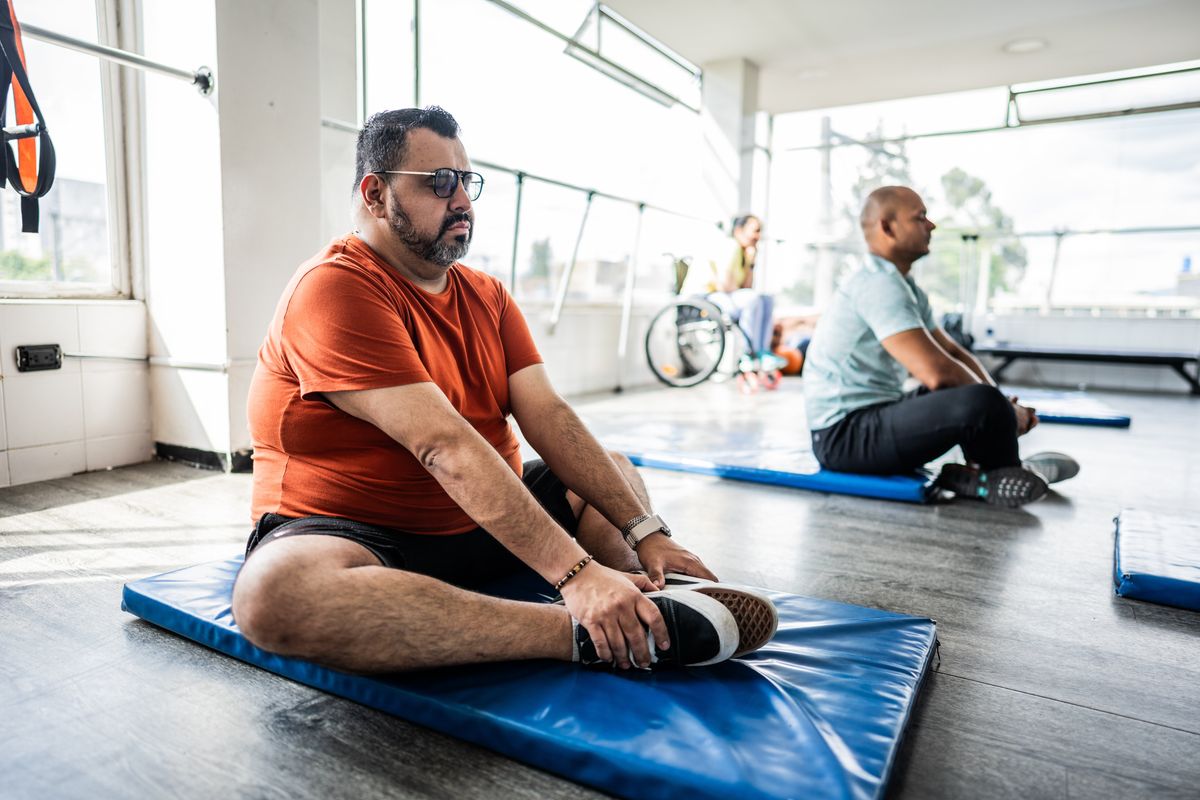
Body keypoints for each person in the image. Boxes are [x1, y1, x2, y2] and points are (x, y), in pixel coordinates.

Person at [231, 106, 777, 674]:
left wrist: (647, 533)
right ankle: (590, 631)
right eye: (440, 182)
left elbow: (547, 414)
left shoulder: (487, 294)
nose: (462, 201)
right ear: (375, 194)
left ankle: (649, 596)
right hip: (365, 533)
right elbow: (443, 445)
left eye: (467, 182)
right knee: (274, 595)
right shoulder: (335, 287)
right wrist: (576, 574)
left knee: (612, 471)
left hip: (485, 523)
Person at [802, 186, 1078, 507]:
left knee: (979, 398)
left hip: (871, 418)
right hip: (843, 438)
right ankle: (1009, 471)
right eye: (920, 218)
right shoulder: (877, 284)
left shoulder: (903, 286)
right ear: (887, 227)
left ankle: (982, 473)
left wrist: (1003, 408)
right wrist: (1004, 411)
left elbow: (954, 353)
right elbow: (937, 372)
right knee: (977, 400)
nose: (931, 225)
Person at [705, 214, 786, 384]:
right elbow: (724, 284)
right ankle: (749, 352)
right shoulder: (731, 247)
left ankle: (762, 351)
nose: (758, 236)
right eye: (755, 231)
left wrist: (751, 262)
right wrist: (745, 295)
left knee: (766, 299)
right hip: (708, 296)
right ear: (738, 231)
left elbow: (747, 286)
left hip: (726, 296)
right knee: (752, 299)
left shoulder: (743, 253)